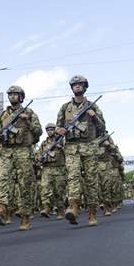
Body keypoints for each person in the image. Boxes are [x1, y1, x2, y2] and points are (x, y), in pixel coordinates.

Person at [56, 75, 106, 226]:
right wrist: (60, 130)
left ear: (85, 87)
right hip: (71, 147)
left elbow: (102, 128)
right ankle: (73, 208)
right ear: (72, 88)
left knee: (91, 180)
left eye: (80, 84)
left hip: (89, 146)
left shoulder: (93, 106)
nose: (77, 86)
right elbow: (58, 127)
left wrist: (94, 117)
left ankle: (92, 213)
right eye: (75, 85)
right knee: (73, 177)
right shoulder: (65, 108)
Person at [0, 85, 42, 230]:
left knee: (25, 183)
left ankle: (25, 216)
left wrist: (28, 121)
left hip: (23, 151)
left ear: (21, 97)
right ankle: (2, 208)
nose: (12, 96)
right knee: (2, 179)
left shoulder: (29, 112)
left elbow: (38, 132)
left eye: (15, 94)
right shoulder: (2, 114)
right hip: (5, 151)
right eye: (10, 94)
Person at [36, 123, 66, 219]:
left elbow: (69, 152)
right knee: (44, 189)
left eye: (51, 129)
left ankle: (60, 211)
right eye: (48, 130)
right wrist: (39, 158)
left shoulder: (61, 140)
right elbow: (38, 156)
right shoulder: (44, 144)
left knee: (59, 191)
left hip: (59, 168)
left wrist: (61, 147)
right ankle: (46, 208)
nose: (50, 132)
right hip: (46, 169)